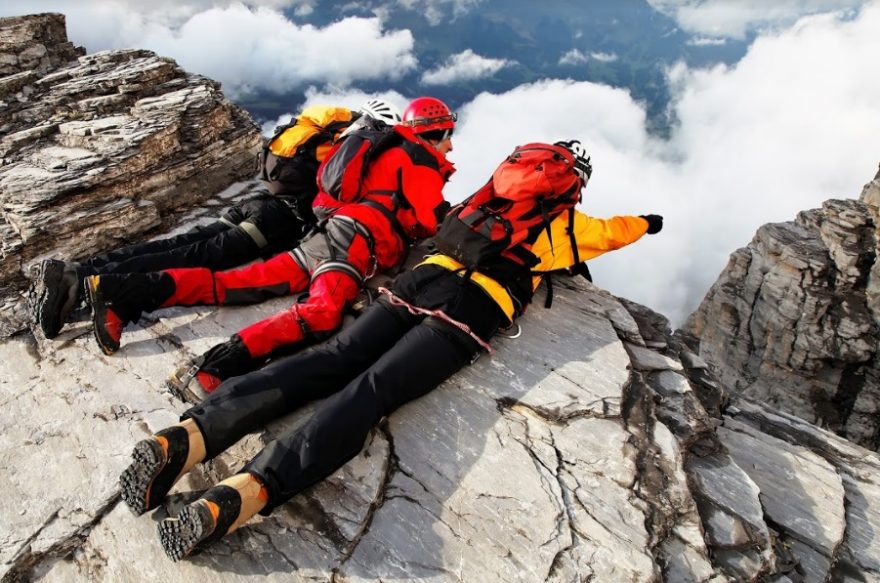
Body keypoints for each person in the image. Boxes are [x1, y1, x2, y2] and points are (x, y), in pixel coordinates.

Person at [116, 140, 663, 561]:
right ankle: (241, 496)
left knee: (330, 359)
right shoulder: (570, 222)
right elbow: (619, 230)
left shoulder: (490, 194)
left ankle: (184, 439)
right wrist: (650, 222)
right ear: (573, 183)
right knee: (372, 391)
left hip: (419, 282)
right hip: (472, 309)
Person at [84, 97, 458, 394]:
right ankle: (212, 370)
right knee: (322, 313)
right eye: (448, 136)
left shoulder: (383, 150)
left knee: (236, 283)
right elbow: (426, 221)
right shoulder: (419, 161)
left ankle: (120, 293)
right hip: (353, 248)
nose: (451, 145)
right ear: (433, 132)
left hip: (329, 236)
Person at [29, 99, 402, 339]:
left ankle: (77, 271)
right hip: (273, 222)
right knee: (190, 257)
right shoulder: (350, 152)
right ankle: (91, 282)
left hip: (259, 202)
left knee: (176, 245)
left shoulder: (325, 130)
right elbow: (334, 199)